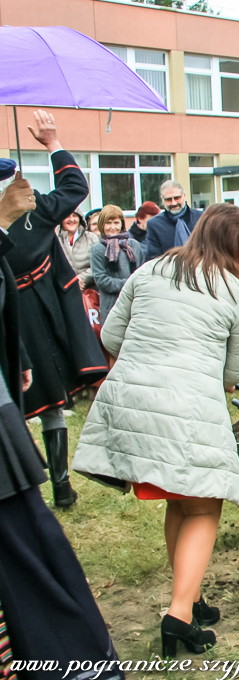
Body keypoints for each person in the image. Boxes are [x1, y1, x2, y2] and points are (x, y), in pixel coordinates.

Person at [74, 203, 239, 655]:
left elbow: (111, 337)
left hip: (134, 401)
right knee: (202, 508)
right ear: (234, 245)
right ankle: (179, 614)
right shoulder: (236, 291)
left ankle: (190, 597)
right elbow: (235, 369)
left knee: (181, 500)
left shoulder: (150, 269)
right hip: (187, 407)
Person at [0, 159, 124, 680]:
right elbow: (73, 187)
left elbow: (73, 187)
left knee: (27, 550)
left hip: (31, 342)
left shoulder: (27, 222)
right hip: (30, 340)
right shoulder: (17, 225)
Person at [5, 110, 108, 508]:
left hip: (37, 314)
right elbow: (73, 184)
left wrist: (52, 145)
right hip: (19, 316)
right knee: (37, 401)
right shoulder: (32, 208)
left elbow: (74, 188)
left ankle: (57, 487)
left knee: (45, 400)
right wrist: (51, 143)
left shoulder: (35, 208)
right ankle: (48, 487)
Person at [90, 204, 142, 323]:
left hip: (135, 304)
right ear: (102, 224)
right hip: (111, 305)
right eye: (108, 223)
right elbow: (101, 280)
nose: (112, 227)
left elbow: (142, 271)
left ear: (122, 224)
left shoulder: (134, 245)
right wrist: (128, 284)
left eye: (116, 223)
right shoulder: (97, 249)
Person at [143, 180, 205, 263]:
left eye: (177, 198)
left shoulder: (202, 218)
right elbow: (153, 258)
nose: (173, 203)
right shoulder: (154, 224)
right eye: (168, 199)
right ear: (162, 200)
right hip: (169, 272)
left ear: (184, 195)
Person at [58, 209, 99, 290]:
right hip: (64, 290)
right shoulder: (54, 240)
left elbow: (99, 265)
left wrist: (82, 279)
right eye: (67, 216)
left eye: (75, 215)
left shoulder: (92, 238)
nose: (72, 219)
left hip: (90, 291)